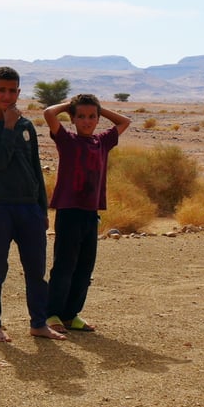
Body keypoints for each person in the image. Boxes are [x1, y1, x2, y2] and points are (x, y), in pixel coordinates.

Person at [0, 66, 65, 342]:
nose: (7, 96)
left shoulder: (26, 126)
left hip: (29, 209)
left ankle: (38, 323)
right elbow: (0, 162)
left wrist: (42, 208)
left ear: (19, 92)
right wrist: (9, 126)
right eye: (1, 90)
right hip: (0, 207)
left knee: (36, 270)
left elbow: (35, 167)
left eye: (12, 90)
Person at [44, 94, 131, 333]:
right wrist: (70, 105)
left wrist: (100, 109)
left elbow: (125, 122)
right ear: (72, 119)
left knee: (84, 267)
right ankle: (51, 314)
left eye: (92, 117)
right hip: (69, 211)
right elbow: (49, 113)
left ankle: (71, 315)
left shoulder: (102, 142)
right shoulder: (67, 140)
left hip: (91, 213)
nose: (87, 121)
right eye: (81, 116)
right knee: (65, 265)